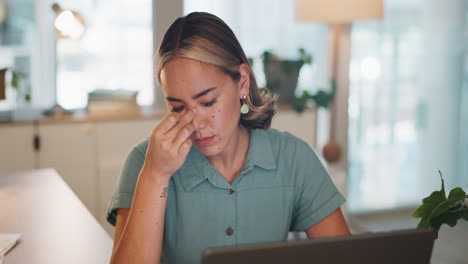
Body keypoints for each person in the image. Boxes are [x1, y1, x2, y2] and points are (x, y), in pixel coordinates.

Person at [107, 11, 350, 264]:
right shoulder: (143, 162)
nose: (195, 124)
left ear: (242, 82)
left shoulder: (294, 157)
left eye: (208, 102)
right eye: (178, 108)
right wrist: (155, 175)